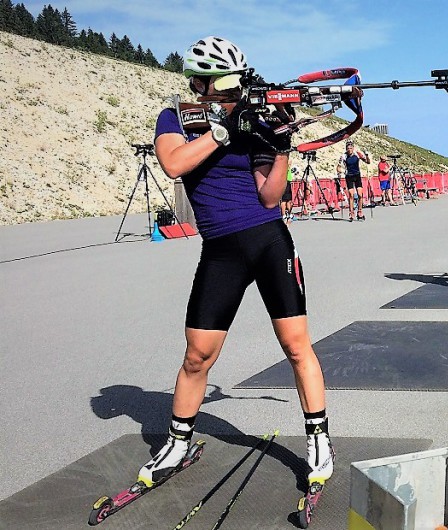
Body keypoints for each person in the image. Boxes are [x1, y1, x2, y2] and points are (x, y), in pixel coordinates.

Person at [144, 36, 354, 498]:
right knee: (197, 354)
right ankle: (177, 443)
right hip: (220, 249)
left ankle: (319, 441)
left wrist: (279, 144)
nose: (230, 93)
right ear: (198, 83)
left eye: (234, 84)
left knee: (297, 346)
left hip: (266, 238)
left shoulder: (253, 117)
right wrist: (221, 130)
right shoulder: (176, 117)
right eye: (221, 85)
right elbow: (174, 164)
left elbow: (269, 195)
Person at [337, 141, 369, 221]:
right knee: (351, 195)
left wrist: (367, 155)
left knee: (360, 194)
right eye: (348, 148)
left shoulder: (357, 154)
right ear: (346, 149)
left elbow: (368, 162)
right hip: (349, 176)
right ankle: (351, 213)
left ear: (353, 148)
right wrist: (343, 171)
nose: (349, 150)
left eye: (351, 148)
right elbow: (338, 167)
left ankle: (360, 212)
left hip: (357, 175)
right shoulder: (343, 156)